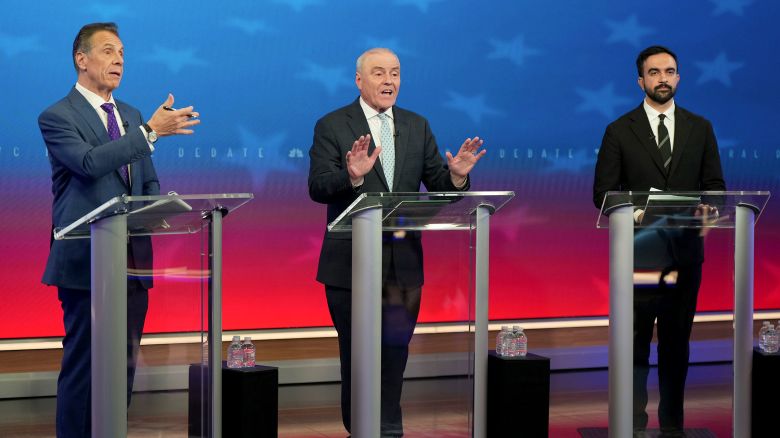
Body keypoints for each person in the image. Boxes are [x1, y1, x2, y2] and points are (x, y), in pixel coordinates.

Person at [308, 47, 486, 437]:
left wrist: (455, 177)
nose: (389, 81)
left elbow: (439, 186)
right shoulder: (333, 125)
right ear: (359, 80)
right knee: (357, 359)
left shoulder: (416, 125)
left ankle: (389, 430)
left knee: (394, 356)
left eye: (395, 73)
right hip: (349, 266)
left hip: (403, 267)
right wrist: (351, 177)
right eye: (379, 73)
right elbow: (318, 187)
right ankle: (361, 430)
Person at [39, 22, 200, 438]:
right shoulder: (58, 116)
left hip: (131, 264)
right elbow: (90, 164)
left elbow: (146, 182)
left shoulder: (128, 114)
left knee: (123, 367)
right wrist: (149, 133)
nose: (118, 60)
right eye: (109, 51)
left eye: (123, 54)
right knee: (85, 365)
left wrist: (155, 206)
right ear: (82, 59)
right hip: (85, 262)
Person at [593, 45, 725, 437]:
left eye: (669, 71)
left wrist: (710, 209)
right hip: (638, 254)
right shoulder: (619, 130)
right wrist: (637, 214)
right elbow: (603, 192)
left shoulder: (700, 128)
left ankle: (673, 425)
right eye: (654, 73)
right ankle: (632, 424)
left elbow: (715, 187)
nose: (663, 78)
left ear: (679, 78)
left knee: (675, 346)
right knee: (634, 346)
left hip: (685, 255)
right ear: (641, 81)